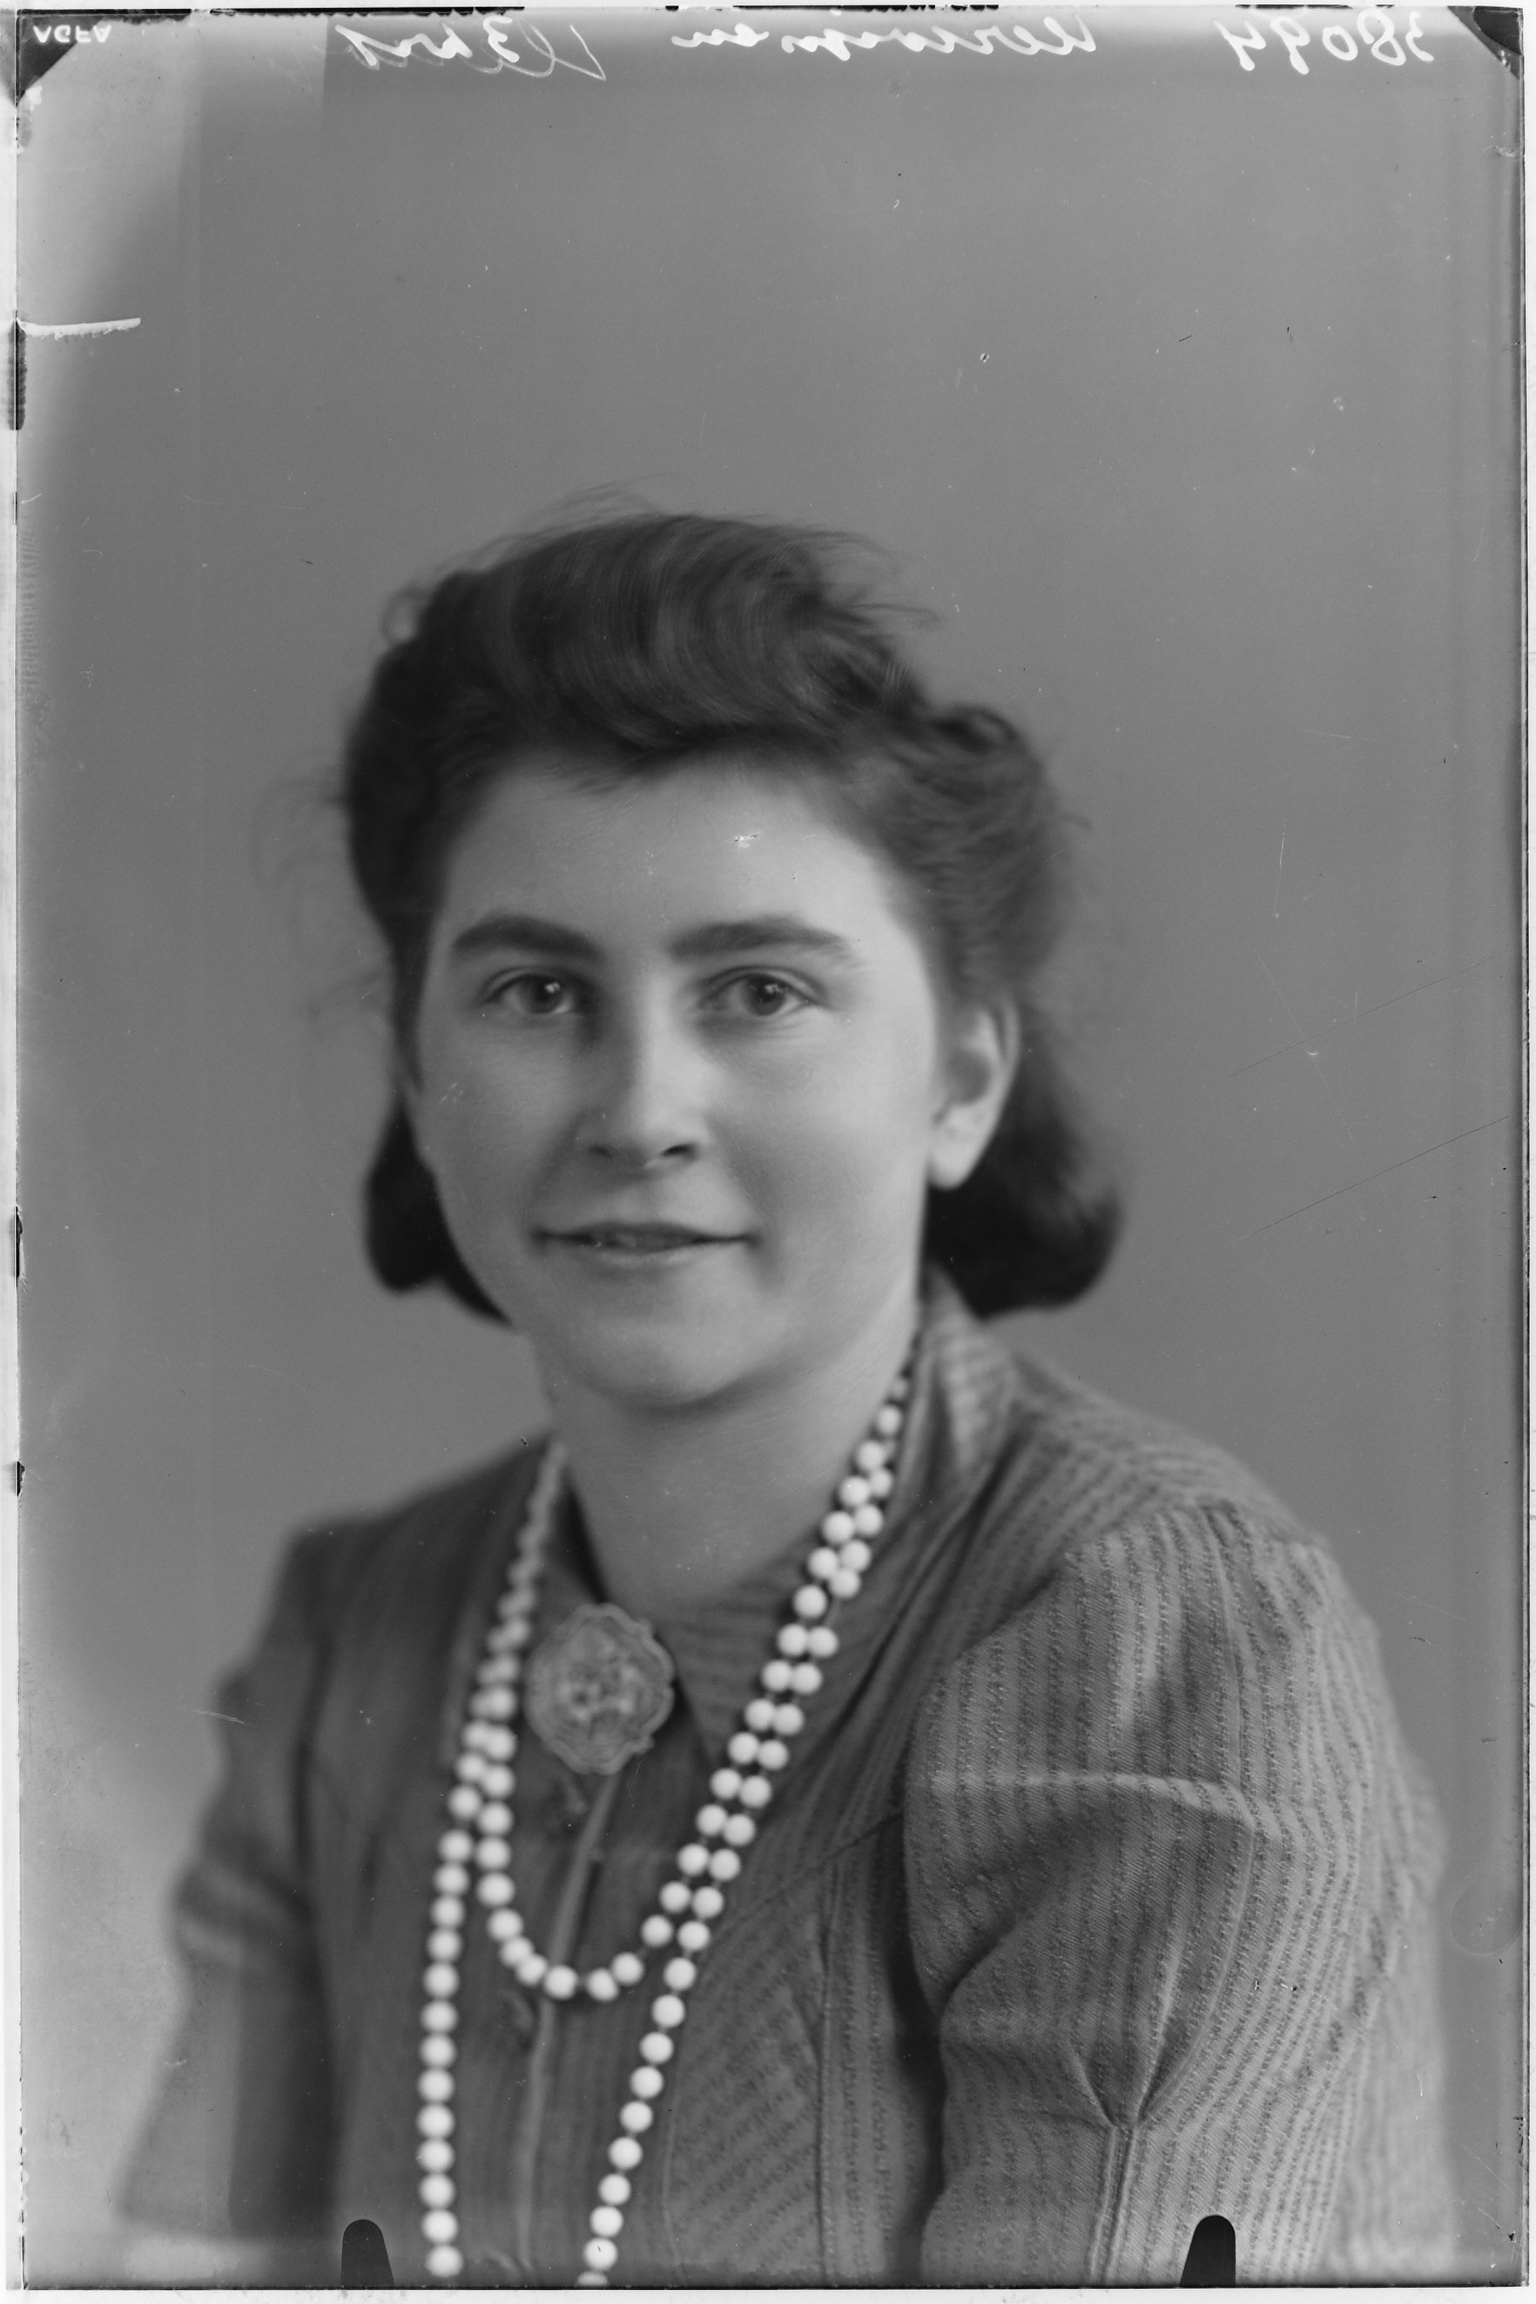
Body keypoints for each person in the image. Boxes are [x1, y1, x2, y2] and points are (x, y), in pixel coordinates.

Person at [123, 512, 1454, 2286]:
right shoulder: (354, 1634)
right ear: (421, 1080)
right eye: (537, 990)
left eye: (758, 991)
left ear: (961, 1078)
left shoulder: (1160, 1647)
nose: (638, 1110)